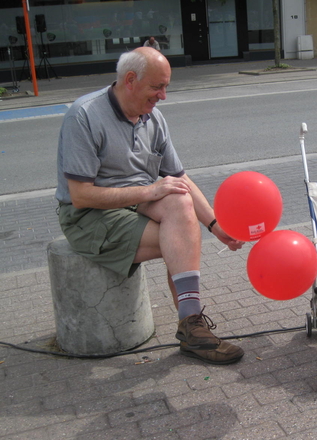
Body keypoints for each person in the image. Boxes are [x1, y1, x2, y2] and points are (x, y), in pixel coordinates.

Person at [55, 47, 245, 365]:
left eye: (166, 86)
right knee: (181, 240)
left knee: (179, 203)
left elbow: (179, 178)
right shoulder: (84, 115)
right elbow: (81, 196)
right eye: (158, 87)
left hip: (137, 204)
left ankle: (191, 324)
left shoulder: (152, 117)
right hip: (88, 216)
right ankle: (193, 328)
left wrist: (216, 225)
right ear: (130, 80)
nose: (164, 96)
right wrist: (150, 191)